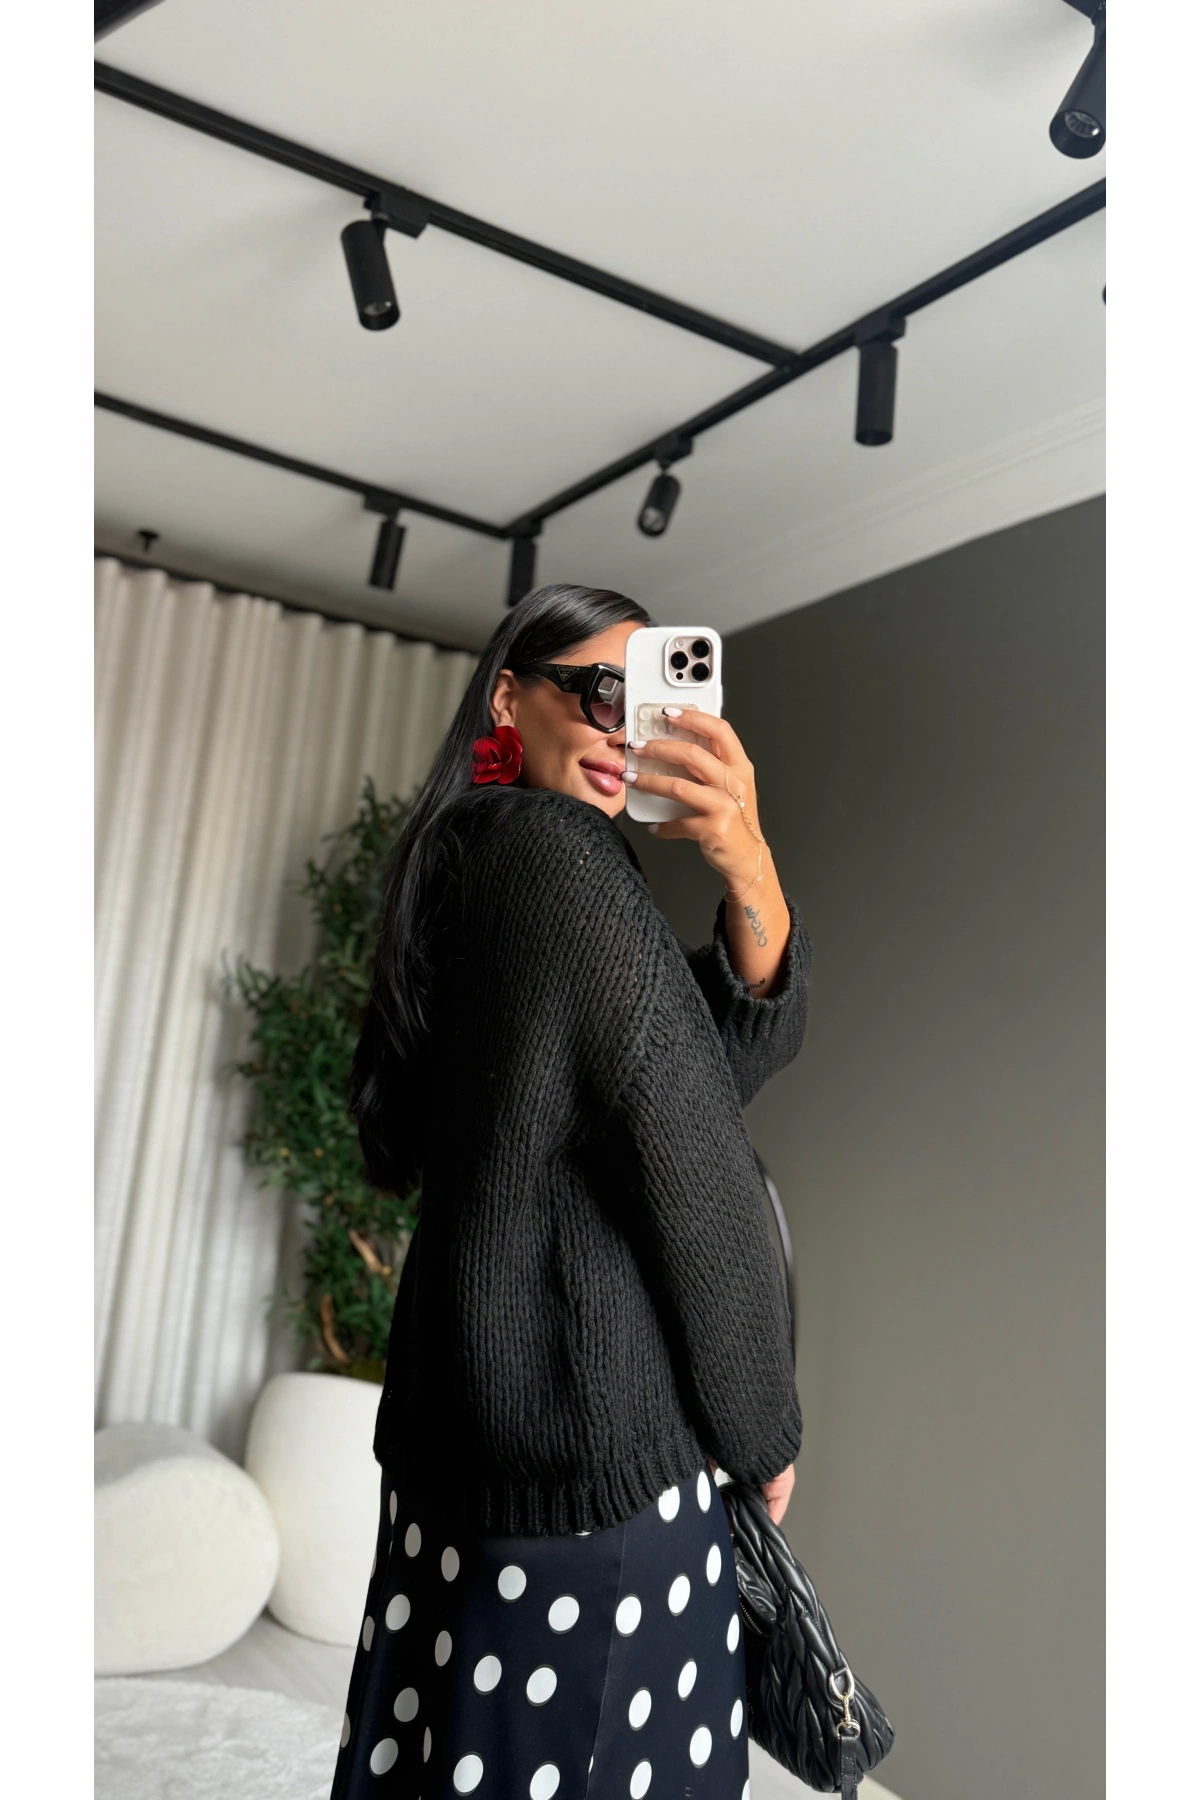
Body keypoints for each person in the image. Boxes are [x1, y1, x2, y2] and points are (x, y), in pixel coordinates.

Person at [332, 584, 811, 1800]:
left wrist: (747, 871)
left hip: (469, 1450)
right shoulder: (558, 857)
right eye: (599, 691)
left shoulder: (466, 860)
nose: (622, 728)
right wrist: (763, 1430)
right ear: (509, 697)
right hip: (589, 1477)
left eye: (645, 704)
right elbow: (695, 1158)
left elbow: (683, 1075)